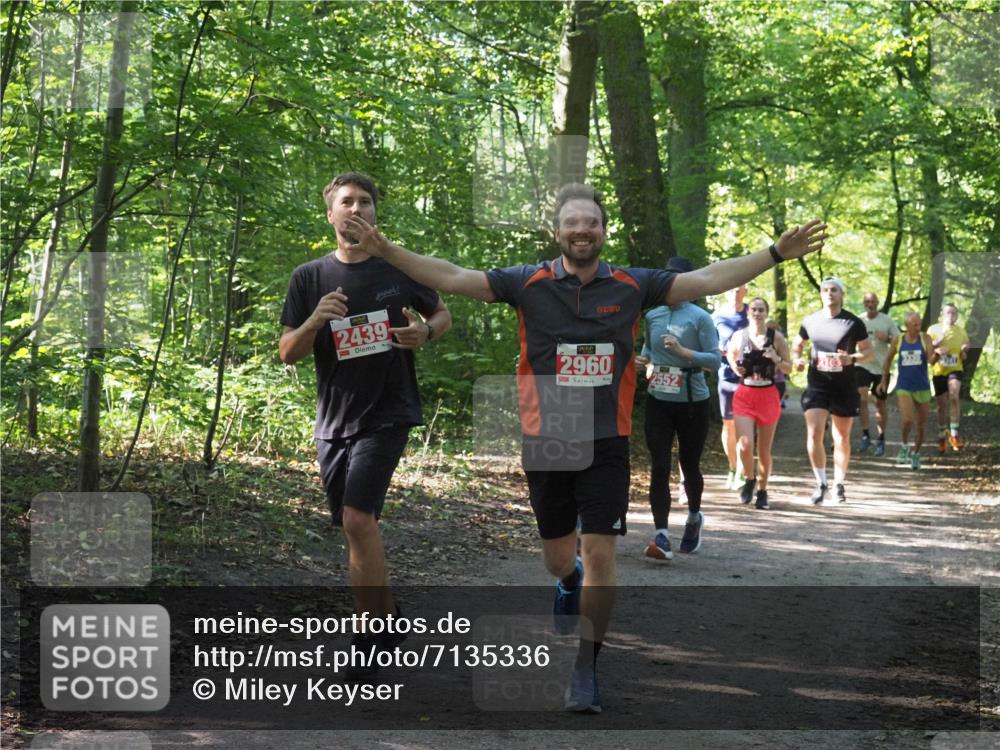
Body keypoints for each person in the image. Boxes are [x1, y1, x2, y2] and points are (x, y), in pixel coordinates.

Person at [345, 182, 827, 713]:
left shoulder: (632, 285)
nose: (582, 230)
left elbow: (709, 277)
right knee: (559, 559)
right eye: (572, 222)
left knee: (600, 550)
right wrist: (386, 248)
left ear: (603, 230)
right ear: (558, 231)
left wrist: (775, 253)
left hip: (605, 438)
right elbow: (454, 278)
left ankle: (585, 668)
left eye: (591, 223)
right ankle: (566, 579)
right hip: (548, 438)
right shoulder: (526, 283)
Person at [278, 172, 452, 676]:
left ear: (375, 213)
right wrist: (314, 321)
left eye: (365, 202)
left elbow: (442, 315)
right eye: (346, 202)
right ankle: (389, 617)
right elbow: (287, 353)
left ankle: (369, 638)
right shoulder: (308, 277)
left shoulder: (398, 267)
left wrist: (425, 332)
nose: (356, 209)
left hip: (388, 409)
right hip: (334, 419)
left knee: (358, 519)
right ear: (330, 214)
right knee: (353, 527)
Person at [635, 256, 720, 560]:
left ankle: (694, 517)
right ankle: (661, 534)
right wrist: (643, 361)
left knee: (689, 465)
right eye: (667, 279)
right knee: (659, 466)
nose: (671, 285)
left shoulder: (700, 317)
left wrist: (684, 352)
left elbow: (715, 360)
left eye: (677, 279)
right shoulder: (653, 315)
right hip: (659, 398)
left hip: (692, 401)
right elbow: (648, 347)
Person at [792, 277, 873, 504]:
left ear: (841, 294)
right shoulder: (810, 321)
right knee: (815, 434)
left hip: (844, 386)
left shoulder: (853, 322)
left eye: (834, 290)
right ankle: (820, 483)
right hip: (817, 384)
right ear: (821, 294)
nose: (829, 293)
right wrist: (797, 359)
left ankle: (839, 484)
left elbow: (869, 352)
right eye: (826, 290)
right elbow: (798, 345)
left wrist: (851, 358)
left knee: (841, 437)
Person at [728, 297, 793, 509]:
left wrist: (776, 359)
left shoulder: (778, 338)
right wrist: (735, 367)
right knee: (744, 445)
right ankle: (749, 478)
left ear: (767, 313)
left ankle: (763, 491)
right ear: (748, 313)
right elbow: (730, 354)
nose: (757, 313)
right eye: (754, 309)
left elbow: (789, 368)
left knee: (764, 449)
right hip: (745, 394)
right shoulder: (740, 336)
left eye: (761, 310)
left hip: (767, 395)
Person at [878, 311, 936, 470]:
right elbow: (887, 360)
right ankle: (904, 446)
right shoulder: (899, 340)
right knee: (907, 420)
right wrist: (884, 380)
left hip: (922, 386)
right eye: (914, 325)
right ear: (907, 326)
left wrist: (937, 354)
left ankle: (916, 453)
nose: (918, 327)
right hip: (904, 386)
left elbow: (931, 360)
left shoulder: (925, 338)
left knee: (922, 425)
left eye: (919, 324)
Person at [712, 285, 749, 489]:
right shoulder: (716, 316)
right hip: (726, 375)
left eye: (739, 289)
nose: (735, 292)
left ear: (745, 290)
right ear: (725, 292)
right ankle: (733, 467)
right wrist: (718, 350)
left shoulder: (752, 312)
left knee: (746, 423)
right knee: (729, 424)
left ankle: (743, 470)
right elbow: (708, 343)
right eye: (731, 289)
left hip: (749, 376)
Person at [855, 292, 900, 456]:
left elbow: (898, 340)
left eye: (873, 301)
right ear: (864, 303)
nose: (870, 304)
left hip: (882, 367)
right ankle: (865, 435)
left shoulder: (886, 320)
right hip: (863, 365)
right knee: (862, 397)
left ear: (877, 303)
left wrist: (887, 338)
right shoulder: (859, 320)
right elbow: (850, 339)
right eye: (867, 301)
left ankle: (881, 438)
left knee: (880, 404)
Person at [928, 303, 970, 453]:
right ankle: (941, 435)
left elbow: (965, 351)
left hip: (955, 369)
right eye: (948, 313)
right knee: (941, 406)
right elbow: (928, 354)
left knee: (954, 396)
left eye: (954, 313)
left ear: (957, 316)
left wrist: (964, 350)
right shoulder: (933, 329)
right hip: (939, 370)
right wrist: (937, 348)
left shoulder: (961, 331)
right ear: (942, 314)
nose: (951, 316)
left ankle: (954, 434)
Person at [765, 319, 788, 408]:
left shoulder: (780, 342)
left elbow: (785, 363)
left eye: (774, 329)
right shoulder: (763, 341)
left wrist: (775, 369)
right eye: (769, 329)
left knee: (772, 408)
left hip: (777, 381)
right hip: (767, 381)